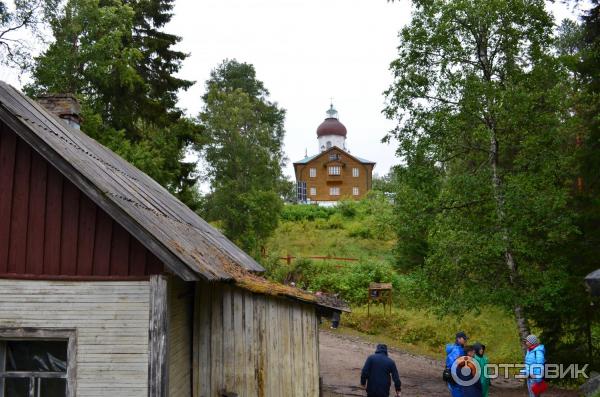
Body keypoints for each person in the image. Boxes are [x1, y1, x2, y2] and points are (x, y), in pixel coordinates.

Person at [446, 331, 468, 397]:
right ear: (458, 339)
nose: (465, 340)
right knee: (457, 392)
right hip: (455, 375)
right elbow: (452, 364)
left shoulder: (461, 348)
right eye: (464, 338)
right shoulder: (456, 350)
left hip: (458, 375)